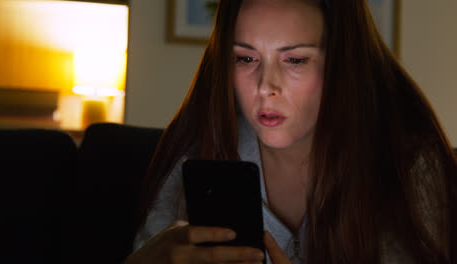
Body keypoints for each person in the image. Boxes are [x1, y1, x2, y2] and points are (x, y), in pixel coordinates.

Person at [126, 0, 457, 263]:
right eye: (246, 58)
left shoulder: (408, 166)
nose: (265, 87)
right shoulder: (201, 152)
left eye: (295, 60)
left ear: (340, 64)